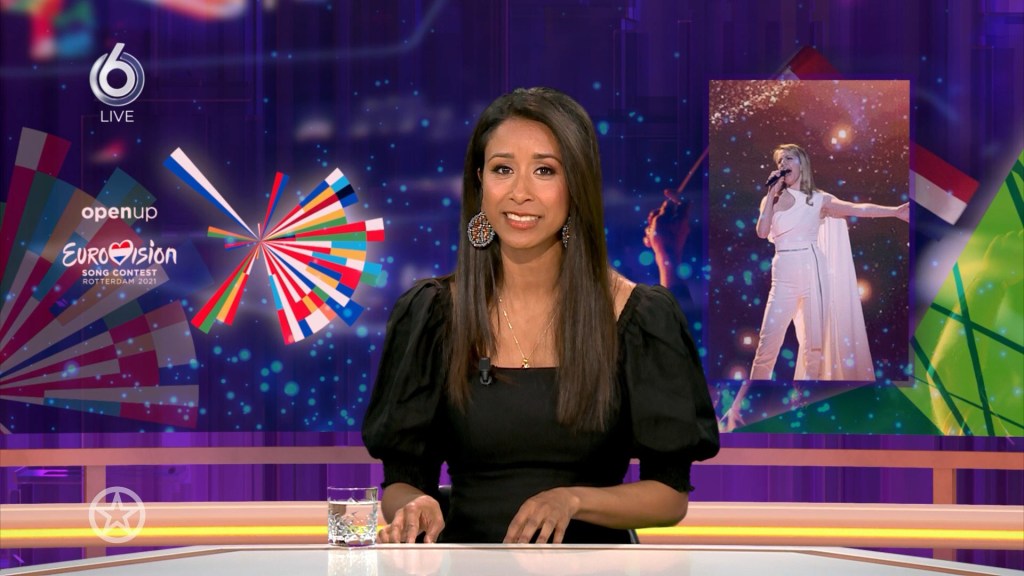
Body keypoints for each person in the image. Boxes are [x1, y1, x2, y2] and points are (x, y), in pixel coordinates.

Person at [362, 87, 719, 545]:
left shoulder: (640, 317)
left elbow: (669, 498)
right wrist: (415, 504)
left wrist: (572, 500)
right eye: (502, 169)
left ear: (576, 185)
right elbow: (402, 481)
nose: (520, 192)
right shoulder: (432, 314)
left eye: (545, 170)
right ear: (480, 181)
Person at [749, 143, 909, 382]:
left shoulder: (819, 199)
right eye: (780, 161)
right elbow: (762, 232)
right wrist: (772, 194)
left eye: (789, 158)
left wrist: (895, 211)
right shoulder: (771, 199)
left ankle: (806, 395)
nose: (783, 164)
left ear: (802, 164)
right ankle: (755, 391)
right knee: (767, 343)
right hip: (783, 275)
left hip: (813, 271)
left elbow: (857, 209)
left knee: (813, 346)